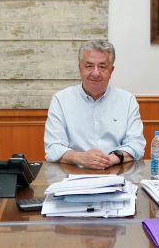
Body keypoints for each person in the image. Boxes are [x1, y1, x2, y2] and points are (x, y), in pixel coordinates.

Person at [44, 40, 146, 170]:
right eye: (89, 66)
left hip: (116, 172)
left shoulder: (127, 100)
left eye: (102, 67)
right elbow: (53, 147)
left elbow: (136, 144)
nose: (96, 73)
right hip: (74, 173)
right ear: (80, 68)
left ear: (111, 70)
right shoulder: (60, 100)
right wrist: (80, 158)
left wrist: (110, 159)